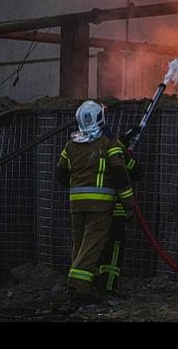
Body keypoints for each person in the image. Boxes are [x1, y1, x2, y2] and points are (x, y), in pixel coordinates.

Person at [57, 100, 136, 305]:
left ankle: (79, 286)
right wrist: (129, 204)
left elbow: (61, 173)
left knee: (80, 245)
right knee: (92, 246)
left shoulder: (70, 144)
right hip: (100, 207)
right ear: (100, 118)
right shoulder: (108, 144)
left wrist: (78, 184)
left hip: (77, 205)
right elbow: (120, 175)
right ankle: (78, 286)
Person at [96, 126, 142, 297]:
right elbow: (134, 173)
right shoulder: (116, 154)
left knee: (95, 247)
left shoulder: (88, 151)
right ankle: (108, 287)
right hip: (115, 211)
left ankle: (93, 284)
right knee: (114, 249)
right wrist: (130, 205)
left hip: (95, 211)